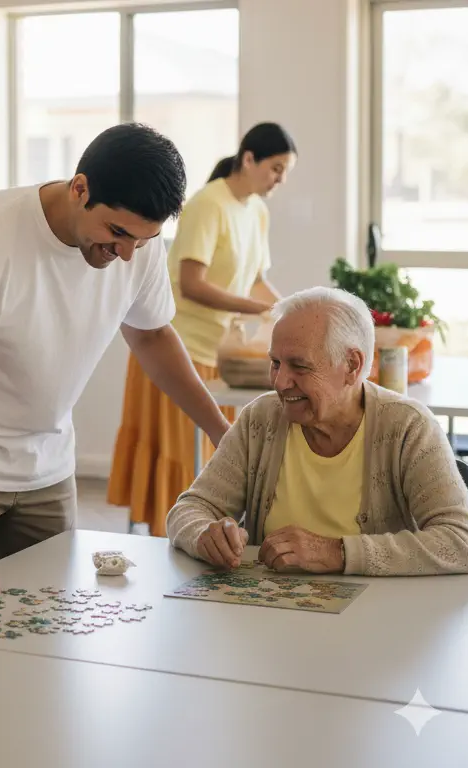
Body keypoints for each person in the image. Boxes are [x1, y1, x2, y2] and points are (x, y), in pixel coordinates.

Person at [0, 122, 231, 568]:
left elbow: (152, 335)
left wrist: (222, 432)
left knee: (52, 620)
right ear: (80, 189)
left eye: (142, 240)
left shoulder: (139, 249)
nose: (126, 255)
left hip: (48, 469)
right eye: (117, 233)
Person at [167, 287, 468, 576]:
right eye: (275, 362)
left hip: (379, 620)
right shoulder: (259, 420)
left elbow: (463, 542)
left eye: (299, 367)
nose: (280, 381)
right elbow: (191, 509)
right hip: (267, 618)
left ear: (352, 365)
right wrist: (204, 535)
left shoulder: (409, 427)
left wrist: (336, 553)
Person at [109, 123, 297, 536]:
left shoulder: (256, 212)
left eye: (285, 171)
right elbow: (192, 284)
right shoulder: (207, 205)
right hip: (178, 352)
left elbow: (256, 279)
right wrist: (261, 308)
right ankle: (172, 545)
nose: (280, 179)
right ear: (248, 159)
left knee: (217, 462)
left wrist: (291, 310)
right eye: (276, 168)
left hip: (221, 358)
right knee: (180, 463)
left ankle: (207, 542)